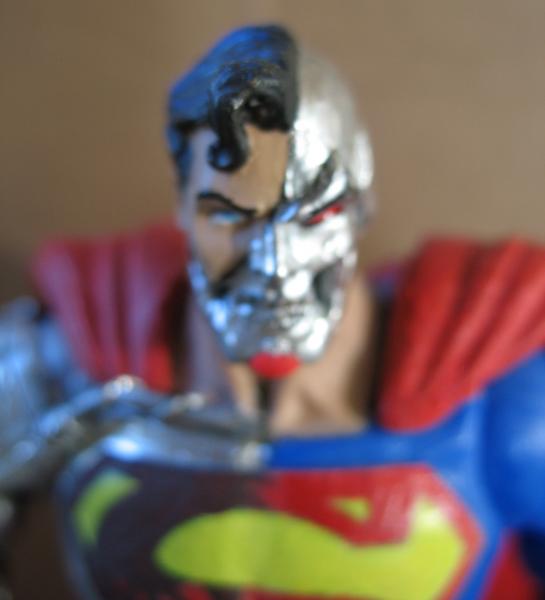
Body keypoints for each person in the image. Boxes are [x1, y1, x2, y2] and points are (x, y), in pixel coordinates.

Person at [2, 24, 545, 600]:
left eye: (314, 216)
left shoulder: (505, 399)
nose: (276, 264)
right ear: (183, 205)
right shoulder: (67, 361)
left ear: (361, 202)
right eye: (230, 215)